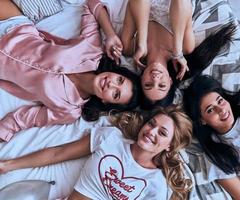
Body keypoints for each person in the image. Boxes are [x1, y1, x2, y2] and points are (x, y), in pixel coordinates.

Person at [0, 0, 141, 142]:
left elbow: (25, 118)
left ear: (106, 102)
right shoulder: (92, 51)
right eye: (119, 80)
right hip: (13, 27)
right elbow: (91, 4)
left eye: (116, 94)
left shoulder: (68, 111)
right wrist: (110, 34)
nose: (112, 84)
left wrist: (3, 132)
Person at [0, 105, 193, 199]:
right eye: (152, 123)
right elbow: (58, 153)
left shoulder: (155, 184)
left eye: (162, 132)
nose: (151, 131)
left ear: (169, 146)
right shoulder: (111, 138)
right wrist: (8, 165)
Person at [120, 0, 237, 109]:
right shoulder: (185, 47)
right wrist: (177, 50)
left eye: (148, 84)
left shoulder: (129, 47)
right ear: (170, 81)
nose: (155, 79)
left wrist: (141, 43)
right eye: (161, 85)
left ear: (141, 79)